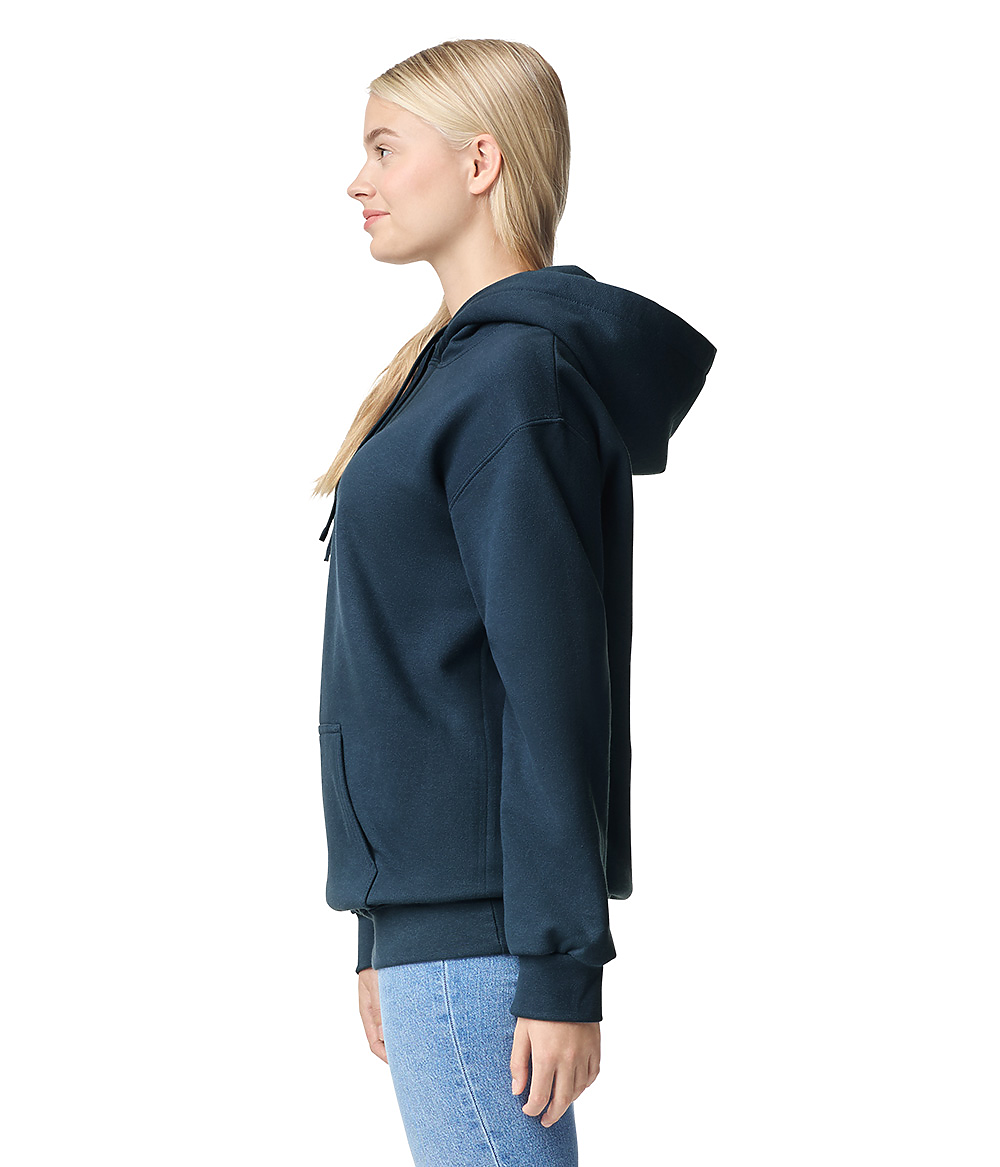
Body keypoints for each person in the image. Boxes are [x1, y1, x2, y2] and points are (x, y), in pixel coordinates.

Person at [312, 38, 717, 1167]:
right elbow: (415, 661)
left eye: (383, 149)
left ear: (479, 161)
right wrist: (379, 927)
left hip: (485, 930)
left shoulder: (509, 383)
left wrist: (559, 964)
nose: (357, 181)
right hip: (438, 923)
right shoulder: (449, 372)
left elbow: (549, 688)